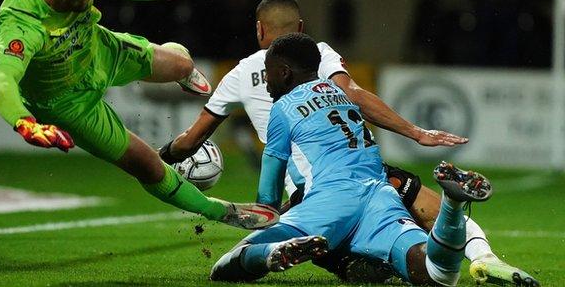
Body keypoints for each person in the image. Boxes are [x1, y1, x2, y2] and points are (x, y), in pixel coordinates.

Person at [159, 0, 539, 285]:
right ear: (302, 28)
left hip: (313, 192)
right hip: (373, 183)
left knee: (232, 264)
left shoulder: (252, 83)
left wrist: (156, 160)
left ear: (261, 33)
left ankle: (288, 253)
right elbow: (356, 96)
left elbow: (203, 151)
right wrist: (415, 133)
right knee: (436, 266)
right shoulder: (325, 65)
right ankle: (467, 234)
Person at [0, 0, 278, 231]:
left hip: (100, 52)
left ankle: (180, 68)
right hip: (66, 103)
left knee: (183, 65)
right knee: (147, 164)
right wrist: (25, 122)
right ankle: (220, 211)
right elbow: (1, 83)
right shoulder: (21, 24)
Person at [209, 32, 496, 286]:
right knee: (437, 274)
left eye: (269, 74)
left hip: (328, 202)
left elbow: (268, 198)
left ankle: (272, 252)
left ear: (284, 73)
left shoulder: (283, 108)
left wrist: (262, 220)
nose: (267, 84)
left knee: (228, 263)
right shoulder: (340, 93)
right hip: (380, 196)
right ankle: (454, 206)